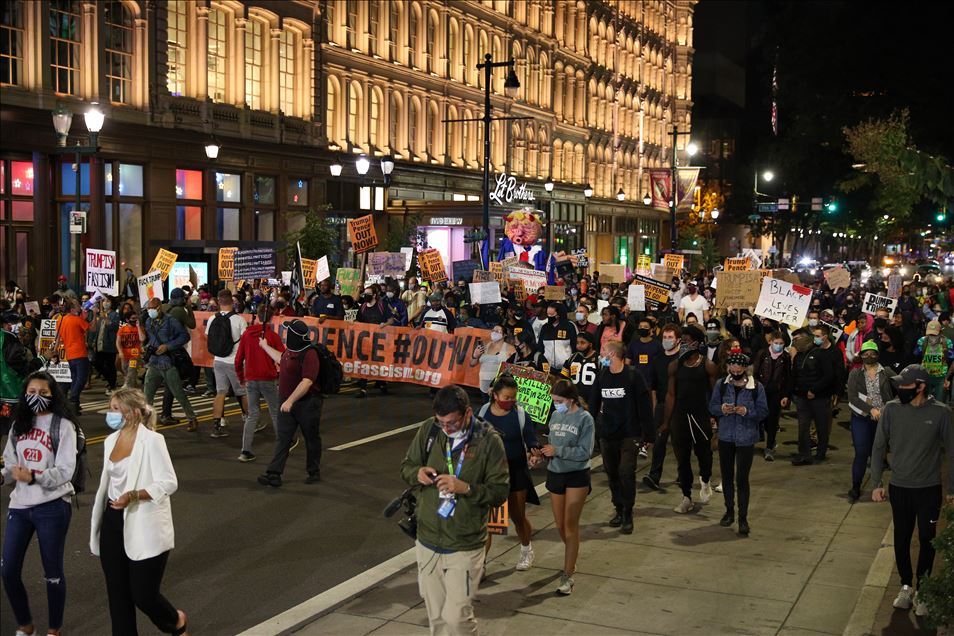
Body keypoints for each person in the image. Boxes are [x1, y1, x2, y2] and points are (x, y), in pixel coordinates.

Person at [399, 386, 509, 636]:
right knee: (436, 618)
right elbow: (406, 466)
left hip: (464, 545)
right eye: (441, 422)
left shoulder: (489, 441)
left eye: (451, 423)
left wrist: (466, 488)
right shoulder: (429, 430)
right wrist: (417, 473)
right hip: (428, 541)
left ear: (468, 413)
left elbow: (500, 492)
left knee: (456, 617)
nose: (446, 429)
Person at [89, 388, 188, 635]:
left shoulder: (153, 441)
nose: (109, 413)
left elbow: (169, 482)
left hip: (143, 521)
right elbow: (110, 482)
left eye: (114, 409)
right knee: (117, 593)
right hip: (113, 519)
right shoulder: (110, 440)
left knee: (143, 595)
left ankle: (175, 621)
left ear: (133, 413)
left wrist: (134, 495)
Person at [870, 365, 954, 617]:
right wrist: (876, 483)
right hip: (900, 488)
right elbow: (878, 447)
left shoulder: (941, 413)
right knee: (902, 538)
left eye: (905, 385)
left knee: (928, 538)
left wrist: (951, 488)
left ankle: (924, 589)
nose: (900, 389)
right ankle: (906, 585)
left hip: (929, 489)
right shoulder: (892, 410)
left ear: (921, 386)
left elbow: (952, 452)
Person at [1, 372, 77, 636]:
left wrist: (34, 476)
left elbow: (66, 471)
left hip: (53, 506)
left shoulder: (63, 426)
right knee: (8, 570)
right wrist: (3, 477)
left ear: (52, 395)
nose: (36, 397)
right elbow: (11, 466)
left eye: (42, 393)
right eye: (31, 391)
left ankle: (53, 630)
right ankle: (26, 625)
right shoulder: (18, 425)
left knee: (52, 572)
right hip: (20, 505)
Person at [589, 340, 654, 534]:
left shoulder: (633, 376)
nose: (601, 356)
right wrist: (592, 429)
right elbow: (593, 405)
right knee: (613, 474)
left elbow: (645, 406)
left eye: (603, 353)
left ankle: (628, 512)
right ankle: (618, 508)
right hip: (608, 434)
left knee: (626, 472)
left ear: (612, 355)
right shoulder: (601, 376)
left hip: (629, 433)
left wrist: (648, 434)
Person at [477, 375, 540, 570]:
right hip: (490, 474)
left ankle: (526, 549)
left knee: (517, 516)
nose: (510, 401)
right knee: (486, 521)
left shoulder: (520, 415)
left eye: (514, 397)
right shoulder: (484, 412)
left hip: (516, 471)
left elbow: (531, 440)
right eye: (506, 397)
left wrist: (535, 452)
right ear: (495, 395)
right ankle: (481, 564)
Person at [543, 378, 595, 596]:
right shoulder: (555, 415)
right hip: (555, 473)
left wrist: (558, 451)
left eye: (559, 400)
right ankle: (571, 558)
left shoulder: (585, 419)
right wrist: (543, 455)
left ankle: (568, 574)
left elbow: (586, 451)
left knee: (570, 525)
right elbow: (552, 444)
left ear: (571, 399)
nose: (556, 404)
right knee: (560, 527)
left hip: (576, 475)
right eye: (554, 401)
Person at [257, 319, 324, 486]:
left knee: (311, 438)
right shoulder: (291, 350)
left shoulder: (309, 354)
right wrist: (265, 347)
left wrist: (290, 401)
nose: (284, 334)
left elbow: (307, 381)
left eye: (288, 332)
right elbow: (282, 359)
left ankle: (313, 471)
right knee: (283, 437)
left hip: (307, 404)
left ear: (294, 335)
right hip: (287, 401)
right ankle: (274, 474)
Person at [709, 352, 768, 536]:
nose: (734, 370)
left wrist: (746, 411)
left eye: (738, 367)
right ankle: (729, 511)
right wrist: (721, 409)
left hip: (746, 438)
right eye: (731, 367)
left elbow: (763, 411)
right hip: (726, 436)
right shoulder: (721, 385)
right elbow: (711, 406)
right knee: (727, 477)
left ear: (745, 368)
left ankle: (743, 518)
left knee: (742, 479)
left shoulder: (756, 387)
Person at [662, 325, 719, 514]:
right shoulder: (674, 366)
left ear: (696, 343)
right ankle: (686, 496)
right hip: (680, 416)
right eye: (682, 341)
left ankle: (705, 479)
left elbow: (714, 394)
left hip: (700, 415)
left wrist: (715, 417)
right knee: (682, 459)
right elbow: (671, 395)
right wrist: (666, 421)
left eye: (686, 341)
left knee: (704, 454)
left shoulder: (708, 365)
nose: (683, 344)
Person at [234, 304, 285, 462]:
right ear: (271, 318)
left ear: (256, 316)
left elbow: (238, 359)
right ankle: (283, 442)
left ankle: (245, 450)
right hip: (268, 378)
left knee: (252, 414)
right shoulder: (273, 336)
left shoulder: (248, 334)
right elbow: (282, 357)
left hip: (251, 378)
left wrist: (241, 377)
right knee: (275, 411)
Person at [846, 341, 895, 502]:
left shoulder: (886, 372)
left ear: (877, 355)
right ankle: (855, 486)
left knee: (879, 453)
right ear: (861, 355)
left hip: (883, 418)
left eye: (872, 353)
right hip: (861, 417)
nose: (869, 355)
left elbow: (901, 389)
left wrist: (886, 408)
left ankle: (877, 486)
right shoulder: (855, 373)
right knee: (861, 453)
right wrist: (870, 410)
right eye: (865, 353)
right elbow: (852, 396)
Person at [140, 298, 198, 432]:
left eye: (153, 308)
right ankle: (146, 423)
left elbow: (184, 336)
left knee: (178, 392)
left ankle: (192, 418)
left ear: (160, 307)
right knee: (147, 394)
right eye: (149, 308)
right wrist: (147, 347)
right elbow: (149, 339)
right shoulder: (149, 321)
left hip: (167, 362)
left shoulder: (171, 321)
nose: (150, 311)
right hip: (154, 362)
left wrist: (168, 346)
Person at [789, 328, 836, 465]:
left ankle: (821, 452)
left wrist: (814, 390)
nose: (794, 342)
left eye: (797, 339)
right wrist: (788, 394)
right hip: (802, 397)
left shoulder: (821, 355)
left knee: (821, 426)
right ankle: (804, 454)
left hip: (819, 397)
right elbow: (794, 377)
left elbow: (829, 375)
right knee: (803, 426)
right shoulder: (798, 357)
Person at [643, 323, 681, 490]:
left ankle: (683, 474)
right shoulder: (657, 361)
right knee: (659, 443)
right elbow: (652, 388)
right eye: (664, 337)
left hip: (679, 407)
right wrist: (654, 409)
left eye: (670, 337)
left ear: (678, 340)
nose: (667, 340)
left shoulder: (682, 360)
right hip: (662, 406)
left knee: (680, 444)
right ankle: (654, 475)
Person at [206, 290, 249, 438]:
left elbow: (208, 336)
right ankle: (250, 420)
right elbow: (246, 340)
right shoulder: (239, 320)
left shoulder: (212, 318)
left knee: (220, 393)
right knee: (242, 392)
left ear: (219, 302)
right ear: (232, 302)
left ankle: (217, 425)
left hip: (218, 361)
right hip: (235, 361)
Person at [751, 331, 792, 461]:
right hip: (761, 392)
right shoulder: (763, 354)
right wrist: (755, 389)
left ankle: (769, 447)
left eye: (781, 343)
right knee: (760, 417)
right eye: (776, 343)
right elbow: (755, 372)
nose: (778, 345)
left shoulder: (785, 357)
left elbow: (787, 377)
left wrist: (786, 395)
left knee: (773, 420)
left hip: (777, 393)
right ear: (771, 342)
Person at [57, 298, 96, 414]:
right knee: (81, 379)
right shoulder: (76, 319)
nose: (80, 306)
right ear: (73, 309)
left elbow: (59, 336)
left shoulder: (61, 319)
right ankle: (73, 399)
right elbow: (92, 328)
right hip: (79, 353)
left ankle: (75, 406)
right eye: (78, 305)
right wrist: (94, 314)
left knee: (75, 378)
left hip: (69, 354)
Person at [355, 286, 390, 399]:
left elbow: (391, 319)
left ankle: (382, 383)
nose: (365, 295)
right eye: (365, 293)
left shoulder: (382, 306)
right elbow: (358, 320)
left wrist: (384, 325)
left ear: (374, 295)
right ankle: (363, 388)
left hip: (380, 340)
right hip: (366, 340)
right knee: (364, 363)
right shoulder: (363, 307)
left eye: (368, 293)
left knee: (379, 363)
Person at [913, 320, 953, 400]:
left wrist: (948, 378)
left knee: (939, 403)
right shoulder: (922, 341)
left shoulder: (947, 342)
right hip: (925, 377)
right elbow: (916, 356)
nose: (932, 336)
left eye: (935, 334)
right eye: (930, 334)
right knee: (925, 402)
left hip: (941, 377)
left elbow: (951, 359)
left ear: (940, 332)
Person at [471, 325, 515, 397]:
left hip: (500, 389)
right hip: (483, 387)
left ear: (504, 335)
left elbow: (515, 366)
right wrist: (475, 355)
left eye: (497, 331)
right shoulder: (485, 345)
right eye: (493, 331)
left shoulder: (510, 348)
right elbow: (472, 363)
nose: (494, 333)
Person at [561, 332, 599, 408]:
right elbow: (563, 377)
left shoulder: (599, 358)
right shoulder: (572, 358)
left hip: (593, 400)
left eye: (583, 343)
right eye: (577, 343)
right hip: (574, 399)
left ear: (590, 344)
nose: (579, 346)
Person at [92, 297, 121, 395]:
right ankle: (111, 381)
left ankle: (112, 385)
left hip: (109, 344)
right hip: (100, 344)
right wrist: (94, 342)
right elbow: (98, 330)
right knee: (96, 363)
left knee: (110, 365)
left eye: (108, 301)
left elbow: (114, 327)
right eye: (104, 301)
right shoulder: (101, 316)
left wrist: (105, 317)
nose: (105, 303)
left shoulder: (115, 315)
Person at [539, 303, 577, 372]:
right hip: (548, 368)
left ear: (559, 314)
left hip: (565, 368)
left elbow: (575, 346)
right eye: (548, 314)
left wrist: (571, 363)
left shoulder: (569, 326)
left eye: (552, 315)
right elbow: (540, 347)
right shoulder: (545, 327)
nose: (549, 317)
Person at [116, 308, 142, 389]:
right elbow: (118, 341)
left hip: (135, 354)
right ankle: (134, 387)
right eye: (133, 318)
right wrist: (120, 352)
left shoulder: (139, 328)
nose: (135, 320)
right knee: (126, 371)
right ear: (127, 320)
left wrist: (138, 327)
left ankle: (126, 387)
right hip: (125, 354)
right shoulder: (122, 329)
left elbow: (142, 339)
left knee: (131, 370)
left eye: (136, 318)